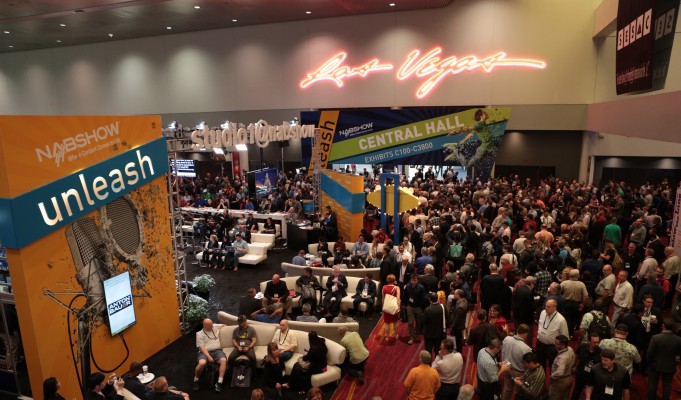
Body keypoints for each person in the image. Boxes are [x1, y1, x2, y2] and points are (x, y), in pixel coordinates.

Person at [647, 319, 681, 400]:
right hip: (670, 366)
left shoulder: (655, 338)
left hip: (655, 366)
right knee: (667, 386)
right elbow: (679, 353)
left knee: (652, 384)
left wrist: (648, 363)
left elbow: (649, 353)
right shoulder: (678, 339)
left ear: (663, 326)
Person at [193, 319, 227, 392]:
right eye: (210, 325)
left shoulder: (214, 326)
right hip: (204, 352)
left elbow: (224, 326)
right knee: (202, 363)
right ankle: (196, 380)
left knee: (224, 360)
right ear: (204, 326)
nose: (212, 326)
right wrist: (208, 356)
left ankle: (219, 382)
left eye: (212, 324)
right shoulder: (199, 334)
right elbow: (201, 347)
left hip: (217, 351)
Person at [536, 299, 568, 374]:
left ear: (554, 307)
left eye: (548, 307)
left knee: (552, 367)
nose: (546, 308)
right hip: (540, 344)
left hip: (552, 348)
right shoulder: (543, 313)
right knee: (540, 366)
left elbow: (564, 337)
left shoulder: (561, 320)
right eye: (545, 306)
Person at [501, 324, 532, 400]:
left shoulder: (506, 339)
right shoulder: (526, 348)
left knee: (507, 388)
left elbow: (503, 352)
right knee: (518, 392)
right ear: (525, 334)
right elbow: (527, 364)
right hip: (518, 372)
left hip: (506, 367)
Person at [571, 332, 601, 400]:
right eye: (594, 342)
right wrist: (573, 366)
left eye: (598, 342)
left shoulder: (600, 352)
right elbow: (577, 356)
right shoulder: (582, 347)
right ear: (589, 341)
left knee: (588, 395)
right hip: (580, 374)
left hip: (591, 377)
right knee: (576, 392)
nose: (597, 344)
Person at [560, 268, 588, 336]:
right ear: (577, 276)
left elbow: (558, 292)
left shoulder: (564, 283)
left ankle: (565, 332)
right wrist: (582, 304)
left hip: (566, 303)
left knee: (565, 318)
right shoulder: (581, 284)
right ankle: (571, 333)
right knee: (573, 319)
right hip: (576, 304)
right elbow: (586, 296)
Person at [548, 335, 575, 400]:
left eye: (557, 344)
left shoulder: (562, 358)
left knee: (553, 397)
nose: (554, 344)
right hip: (569, 378)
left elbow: (560, 372)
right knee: (565, 397)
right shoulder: (570, 349)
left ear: (563, 345)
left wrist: (552, 376)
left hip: (560, 382)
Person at [405, 273, 428, 345]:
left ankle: (417, 334)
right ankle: (412, 337)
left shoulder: (421, 288)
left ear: (417, 280)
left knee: (418, 322)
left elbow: (423, 298)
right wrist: (407, 304)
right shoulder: (408, 286)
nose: (413, 282)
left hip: (418, 307)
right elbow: (405, 296)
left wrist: (421, 307)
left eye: (415, 280)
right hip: (410, 307)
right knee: (410, 322)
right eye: (412, 280)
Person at [422, 292, 446, 357]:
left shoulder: (427, 310)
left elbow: (424, 321)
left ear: (429, 299)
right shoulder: (443, 307)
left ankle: (429, 363)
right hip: (440, 333)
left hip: (429, 334)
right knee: (438, 351)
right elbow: (446, 318)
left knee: (428, 351)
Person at [381, 274, 401, 341]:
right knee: (395, 322)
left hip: (386, 307)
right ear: (394, 280)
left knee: (387, 323)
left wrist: (383, 307)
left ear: (387, 280)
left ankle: (387, 337)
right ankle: (396, 335)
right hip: (394, 307)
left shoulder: (384, 287)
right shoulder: (397, 288)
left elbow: (383, 298)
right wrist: (398, 308)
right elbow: (398, 299)